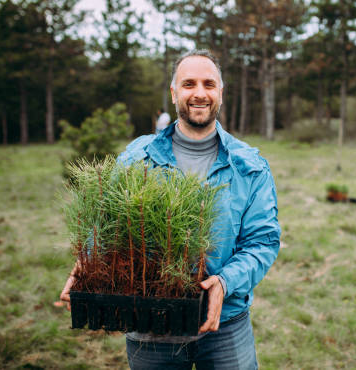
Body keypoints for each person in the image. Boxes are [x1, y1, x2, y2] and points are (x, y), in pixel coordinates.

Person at [59, 49, 280, 370]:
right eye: (189, 84)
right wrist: (86, 265)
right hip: (149, 324)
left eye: (209, 84)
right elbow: (107, 226)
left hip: (226, 324)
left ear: (221, 93)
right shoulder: (137, 159)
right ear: (174, 92)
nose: (200, 93)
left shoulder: (250, 166)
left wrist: (225, 282)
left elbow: (263, 242)